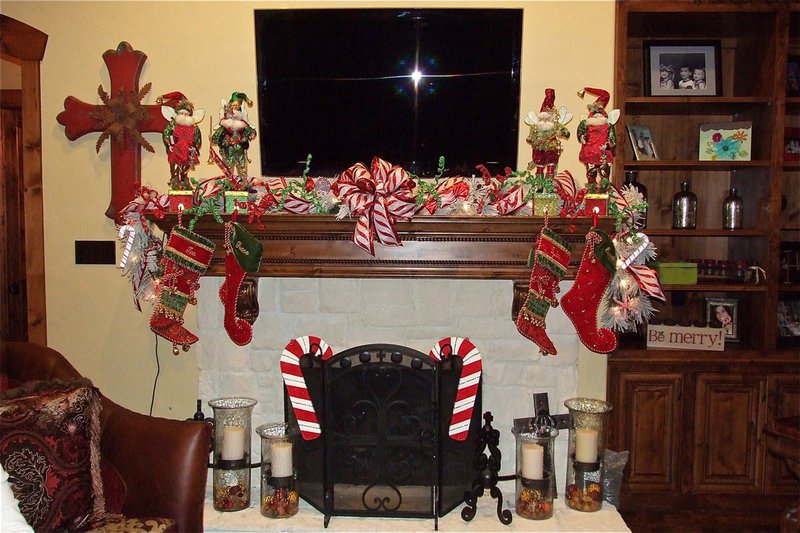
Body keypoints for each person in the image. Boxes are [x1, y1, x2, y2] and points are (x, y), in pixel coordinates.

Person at [158, 91, 203, 190]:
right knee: (174, 168)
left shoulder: (194, 127)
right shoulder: (172, 125)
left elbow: (197, 138)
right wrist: (169, 144)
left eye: (185, 113)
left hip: (187, 151)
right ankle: (175, 181)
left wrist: (195, 147)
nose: (183, 115)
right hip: (175, 150)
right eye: (181, 113)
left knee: (185, 169)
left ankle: (184, 181)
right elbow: (166, 133)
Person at [525, 88, 571, 180]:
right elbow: (530, 137)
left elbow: (567, 133)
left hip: (551, 150)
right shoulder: (534, 127)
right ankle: (539, 185)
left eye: (546, 119)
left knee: (550, 169)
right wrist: (530, 139)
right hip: (538, 150)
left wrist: (561, 132)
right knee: (539, 168)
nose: (544, 121)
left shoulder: (555, 125)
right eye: (542, 119)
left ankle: (549, 185)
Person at [211, 92, 257, 178]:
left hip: (239, 146)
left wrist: (251, 134)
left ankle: (243, 181)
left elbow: (250, 131)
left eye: (237, 106)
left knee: (241, 165)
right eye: (233, 106)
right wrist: (214, 138)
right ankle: (229, 182)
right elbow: (219, 132)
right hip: (228, 146)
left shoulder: (242, 124)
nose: (234, 108)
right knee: (228, 165)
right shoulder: (225, 124)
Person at [577, 87, 616, 189]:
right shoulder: (586, 125)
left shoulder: (608, 126)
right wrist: (582, 137)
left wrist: (608, 146)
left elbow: (612, 140)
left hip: (603, 154)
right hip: (590, 153)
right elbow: (580, 132)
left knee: (604, 172)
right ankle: (591, 189)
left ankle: (605, 189)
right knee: (591, 172)